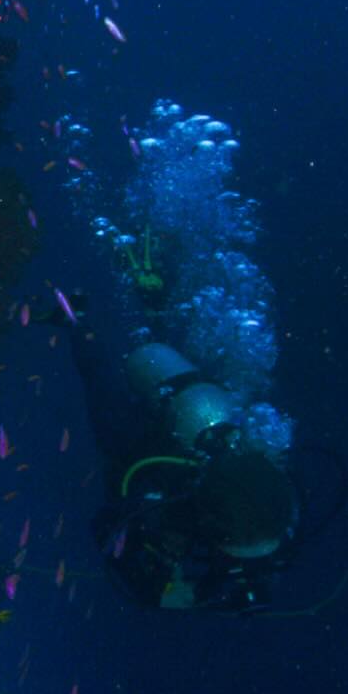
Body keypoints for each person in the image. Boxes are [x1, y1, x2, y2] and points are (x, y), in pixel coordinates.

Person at [67, 249, 301, 613]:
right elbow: (107, 529)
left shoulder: (270, 505)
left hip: (196, 400)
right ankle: (80, 319)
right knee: (107, 403)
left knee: (159, 357)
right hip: (151, 429)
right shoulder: (169, 489)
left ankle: (148, 302)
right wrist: (165, 591)